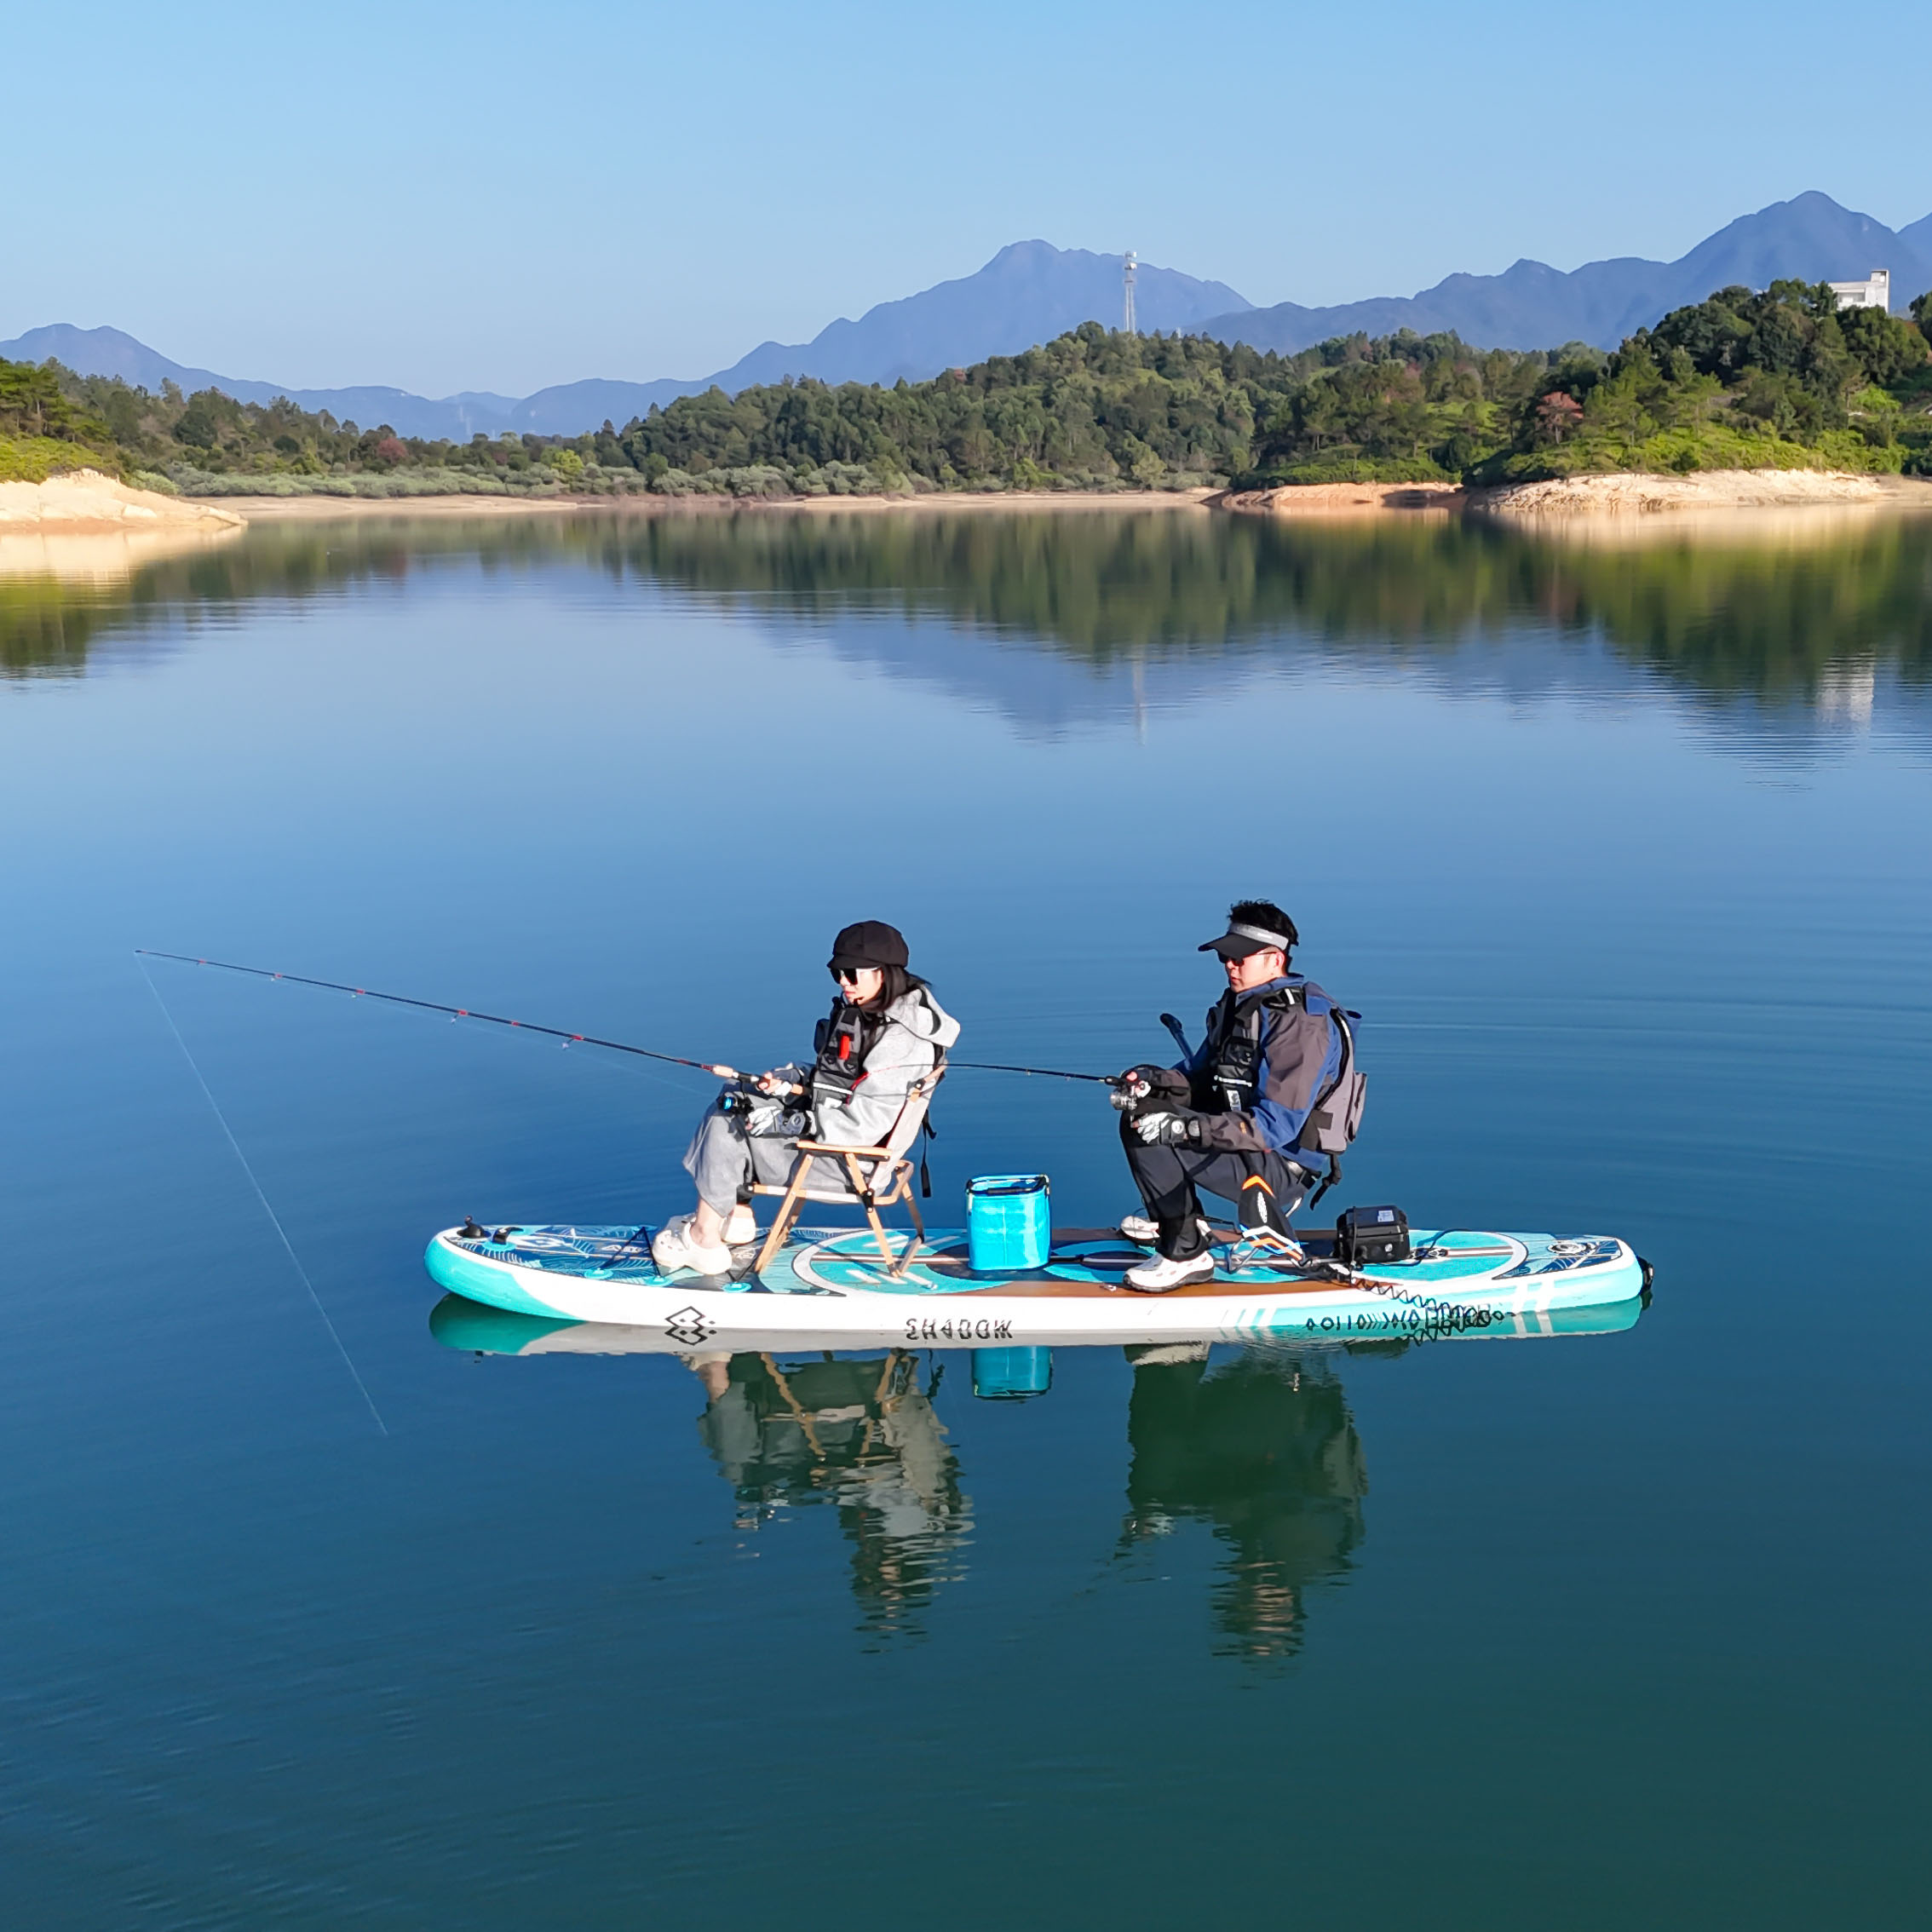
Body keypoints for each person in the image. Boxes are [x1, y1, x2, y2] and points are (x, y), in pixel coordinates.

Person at [653, 920, 961, 1276]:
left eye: (851, 973)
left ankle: (705, 1238)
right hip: (841, 1144)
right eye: (837, 974)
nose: (843, 982)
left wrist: (787, 1121)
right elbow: (843, 1083)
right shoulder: (888, 1014)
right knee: (738, 1093)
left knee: (729, 1117)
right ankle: (736, 1216)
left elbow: (861, 1126)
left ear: (882, 972)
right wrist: (789, 1081)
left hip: (845, 1163)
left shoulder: (900, 1042)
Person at [1114, 899, 1359, 1293]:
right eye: (1225, 956)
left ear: (1274, 959)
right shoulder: (1241, 1005)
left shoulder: (1302, 1027)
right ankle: (1179, 1220)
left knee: (1152, 1128)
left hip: (1282, 1167)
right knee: (1142, 1109)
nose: (1230, 965)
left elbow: (1276, 1127)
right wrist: (1151, 1079)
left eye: (1240, 958)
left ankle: (1186, 1254)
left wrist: (1186, 1127)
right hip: (1246, 1142)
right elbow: (1200, 1078)